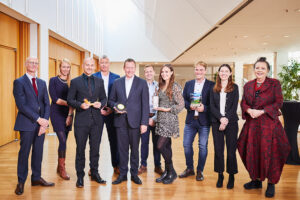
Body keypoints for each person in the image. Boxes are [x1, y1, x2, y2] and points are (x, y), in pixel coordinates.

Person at [237, 57, 291, 198]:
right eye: (257, 68)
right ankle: (255, 180)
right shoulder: (248, 85)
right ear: (254, 69)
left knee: (271, 154)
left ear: (267, 70)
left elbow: (278, 102)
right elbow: (243, 103)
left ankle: (271, 184)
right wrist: (249, 111)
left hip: (269, 125)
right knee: (248, 150)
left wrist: (262, 111)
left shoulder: (274, 84)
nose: (259, 70)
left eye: (263, 68)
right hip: (252, 125)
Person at [13, 57, 54, 195]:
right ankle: (21, 181)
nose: (34, 65)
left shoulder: (42, 83)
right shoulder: (19, 82)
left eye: (36, 63)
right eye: (31, 62)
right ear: (26, 64)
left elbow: (47, 104)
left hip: (41, 125)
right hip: (27, 124)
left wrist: (45, 122)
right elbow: (21, 105)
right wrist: (38, 119)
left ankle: (36, 178)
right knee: (24, 153)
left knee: (38, 153)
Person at [67, 57, 107, 188]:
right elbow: (70, 100)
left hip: (97, 121)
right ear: (83, 66)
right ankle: (80, 176)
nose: (89, 67)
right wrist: (79, 105)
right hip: (81, 121)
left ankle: (95, 173)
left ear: (94, 67)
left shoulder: (99, 81)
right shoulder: (75, 82)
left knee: (95, 149)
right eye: (87, 65)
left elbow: (104, 98)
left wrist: (100, 103)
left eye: (91, 65)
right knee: (80, 149)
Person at [109, 58, 149, 185]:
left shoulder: (142, 83)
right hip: (120, 122)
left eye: (132, 67)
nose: (130, 70)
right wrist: (115, 107)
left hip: (136, 122)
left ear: (135, 68)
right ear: (124, 68)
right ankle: (122, 175)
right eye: (128, 67)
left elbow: (145, 105)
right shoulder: (117, 82)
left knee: (135, 150)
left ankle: (134, 174)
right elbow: (111, 100)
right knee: (122, 150)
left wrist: (144, 123)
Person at [179, 61, 214, 181]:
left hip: (204, 121)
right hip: (190, 120)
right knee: (186, 145)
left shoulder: (211, 85)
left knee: (203, 147)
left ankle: (200, 170)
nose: (198, 72)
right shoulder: (189, 84)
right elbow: (184, 101)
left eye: (201, 70)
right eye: (196, 69)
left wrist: (205, 108)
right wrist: (190, 106)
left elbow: (214, 104)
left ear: (205, 71)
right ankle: (190, 168)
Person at [154, 64, 184, 184]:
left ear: (171, 73)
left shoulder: (175, 86)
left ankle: (172, 171)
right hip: (160, 119)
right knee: (166, 146)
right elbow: (157, 101)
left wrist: (168, 109)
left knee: (160, 146)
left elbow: (181, 105)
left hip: (170, 119)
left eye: (167, 72)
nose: (164, 74)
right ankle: (167, 172)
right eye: (162, 72)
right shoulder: (160, 86)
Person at [210, 64, 239, 189]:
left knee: (231, 152)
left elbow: (234, 107)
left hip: (231, 123)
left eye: (226, 71)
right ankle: (220, 175)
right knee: (218, 150)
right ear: (218, 73)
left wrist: (225, 119)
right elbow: (212, 106)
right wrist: (220, 119)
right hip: (216, 122)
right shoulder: (213, 88)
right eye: (222, 71)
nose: (224, 73)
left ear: (230, 73)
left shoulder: (235, 87)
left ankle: (231, 176)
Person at [93, 55, 120, 174]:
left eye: (106, 62)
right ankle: (93, 167)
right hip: (97, 112)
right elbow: (91, 95)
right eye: (102, 63)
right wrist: (98, 109)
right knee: (95, 140)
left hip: (112, 113)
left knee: (114, 140)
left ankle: (116, 165)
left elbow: (119, 96)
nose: (104, 65)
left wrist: (112, 109)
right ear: (99, 64)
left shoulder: (116, 78)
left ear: (109, 64)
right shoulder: (94, 77)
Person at [49, 58, 74, 180]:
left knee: (63, 141)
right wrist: (69, 103)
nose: (65, 69)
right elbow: (55, 99)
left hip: (68, 114)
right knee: (62, 140)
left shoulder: (72, 83)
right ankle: (62, 168)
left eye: (67, 67)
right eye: (63, 67)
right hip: (56, 113)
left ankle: (59, 166)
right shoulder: (53, 80)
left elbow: (73, 101)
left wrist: (70, 114)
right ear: (60, 67)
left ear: (70, 69)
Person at [138, 65, 163, 175]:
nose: (148, 73)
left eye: (150, 71)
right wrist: (145, 119)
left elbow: (162, 103)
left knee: (157, 144)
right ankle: (143, 165)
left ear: (154, 72)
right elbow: (138, 104)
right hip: (144, 118)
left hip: (156, 118)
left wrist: (154, 118)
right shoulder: (140, 86)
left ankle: (157, 166)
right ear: (145, 74)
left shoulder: (159, 86)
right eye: (146, 72)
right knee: (144, 143)